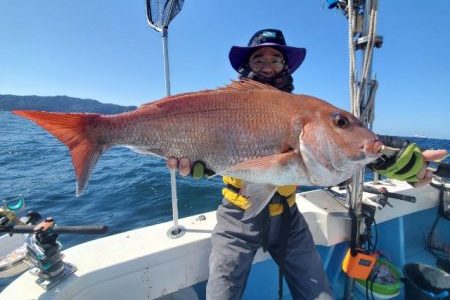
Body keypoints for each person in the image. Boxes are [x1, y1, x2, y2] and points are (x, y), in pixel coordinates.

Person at [167, 29, 448, 300]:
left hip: (289, 219)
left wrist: (397, 158)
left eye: (275, 59)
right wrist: (202, 165)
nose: (267, 67)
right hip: (236, 218)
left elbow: (336, 150)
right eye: (259, 59)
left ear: (285, 66)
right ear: (246, 66)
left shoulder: (304, 110)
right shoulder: (226, 106)